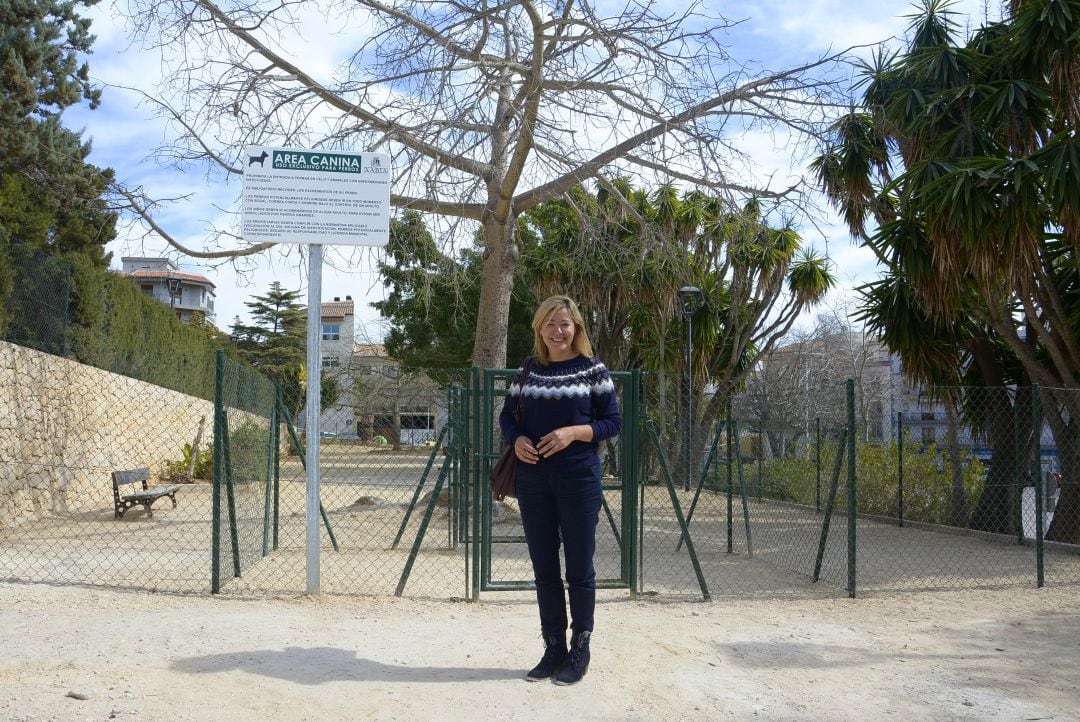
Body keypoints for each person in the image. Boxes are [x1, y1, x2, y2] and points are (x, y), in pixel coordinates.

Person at [498, 294, 622, 685]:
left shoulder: (592, 369)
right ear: (539, 329)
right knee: (544, 568)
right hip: (534, 481)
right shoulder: (528, 369)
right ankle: (553, 648)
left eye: (564, 323)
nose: (557, 331)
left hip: (579, 479)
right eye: (550, 324)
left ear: (577, 327)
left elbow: (612, 422)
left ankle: (580, 647)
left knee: (580, 569)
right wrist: (516, 438)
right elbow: (507, 416)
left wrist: (574, 433)